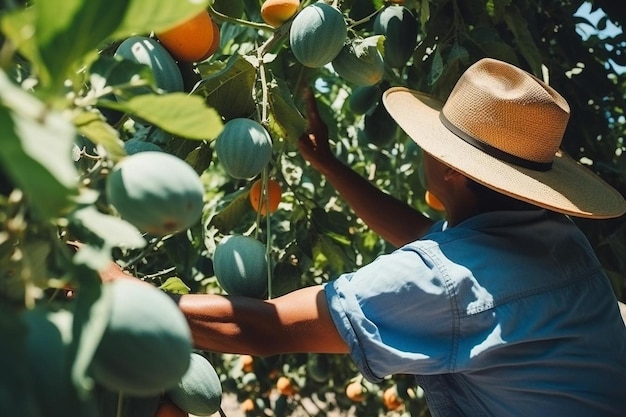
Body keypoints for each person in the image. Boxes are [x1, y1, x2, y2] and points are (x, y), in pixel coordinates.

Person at [104, 58, 626, 416]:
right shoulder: (554, 237)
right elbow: (426, 235)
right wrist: (329, 164)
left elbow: (268, 330)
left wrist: (113, 288)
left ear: (455, 171)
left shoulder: (446, 285)